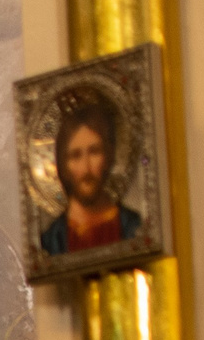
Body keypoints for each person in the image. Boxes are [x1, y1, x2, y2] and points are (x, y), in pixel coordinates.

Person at [40, 95, 144, 256]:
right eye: (75, 155)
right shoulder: (51, 241)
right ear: (63, 164)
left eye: (94, 151)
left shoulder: (133, 227)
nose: (86, 168)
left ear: (109, 156)